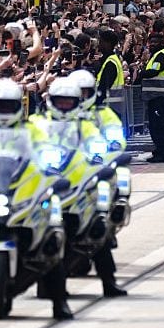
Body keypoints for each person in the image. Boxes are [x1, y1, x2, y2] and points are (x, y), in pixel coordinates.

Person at [0, 79, 73, 320]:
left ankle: (60, 302)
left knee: (53, 233)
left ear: (19, 105)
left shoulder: (31, 129)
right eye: (0, 106)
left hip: (19, 191)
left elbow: (46, 154)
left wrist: (51, 169)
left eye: (10, 106)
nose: (5, 111)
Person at [31, 78, 127, 301]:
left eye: (69, 102)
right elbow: (25, 145)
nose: (64, 106)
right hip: (47, 184)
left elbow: (100, 147)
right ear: (51, 101)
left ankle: (109, 281)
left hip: (79, 188)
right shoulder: (37, 123)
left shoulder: (86, 125)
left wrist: (101, 156)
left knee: (98, 229)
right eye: (60, 102)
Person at [141, 33, 164, 163]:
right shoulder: (155, 55)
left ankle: (163, 153)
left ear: (161, 43)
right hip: (154, 97)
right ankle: (159, 151)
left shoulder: (161, 55)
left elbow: (154, 71)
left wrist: (140, 73)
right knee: (155, 126)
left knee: (158, 126)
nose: (153, 44)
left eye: (155, 42)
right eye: (151, 42)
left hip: (160, 97)